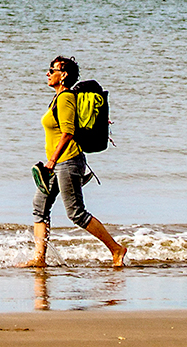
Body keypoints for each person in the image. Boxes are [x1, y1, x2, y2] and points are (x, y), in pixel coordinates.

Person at [19, 56, 127, 268]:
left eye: (52, 70)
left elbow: (68, 132)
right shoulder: (57, 98)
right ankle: (39, 259)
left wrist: (52, 160)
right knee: (39, 207)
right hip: (57, 163)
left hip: (68, 161)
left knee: (76, 213)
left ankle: (116, 249)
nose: (48, 73)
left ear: (64, 75)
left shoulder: (66, 98)